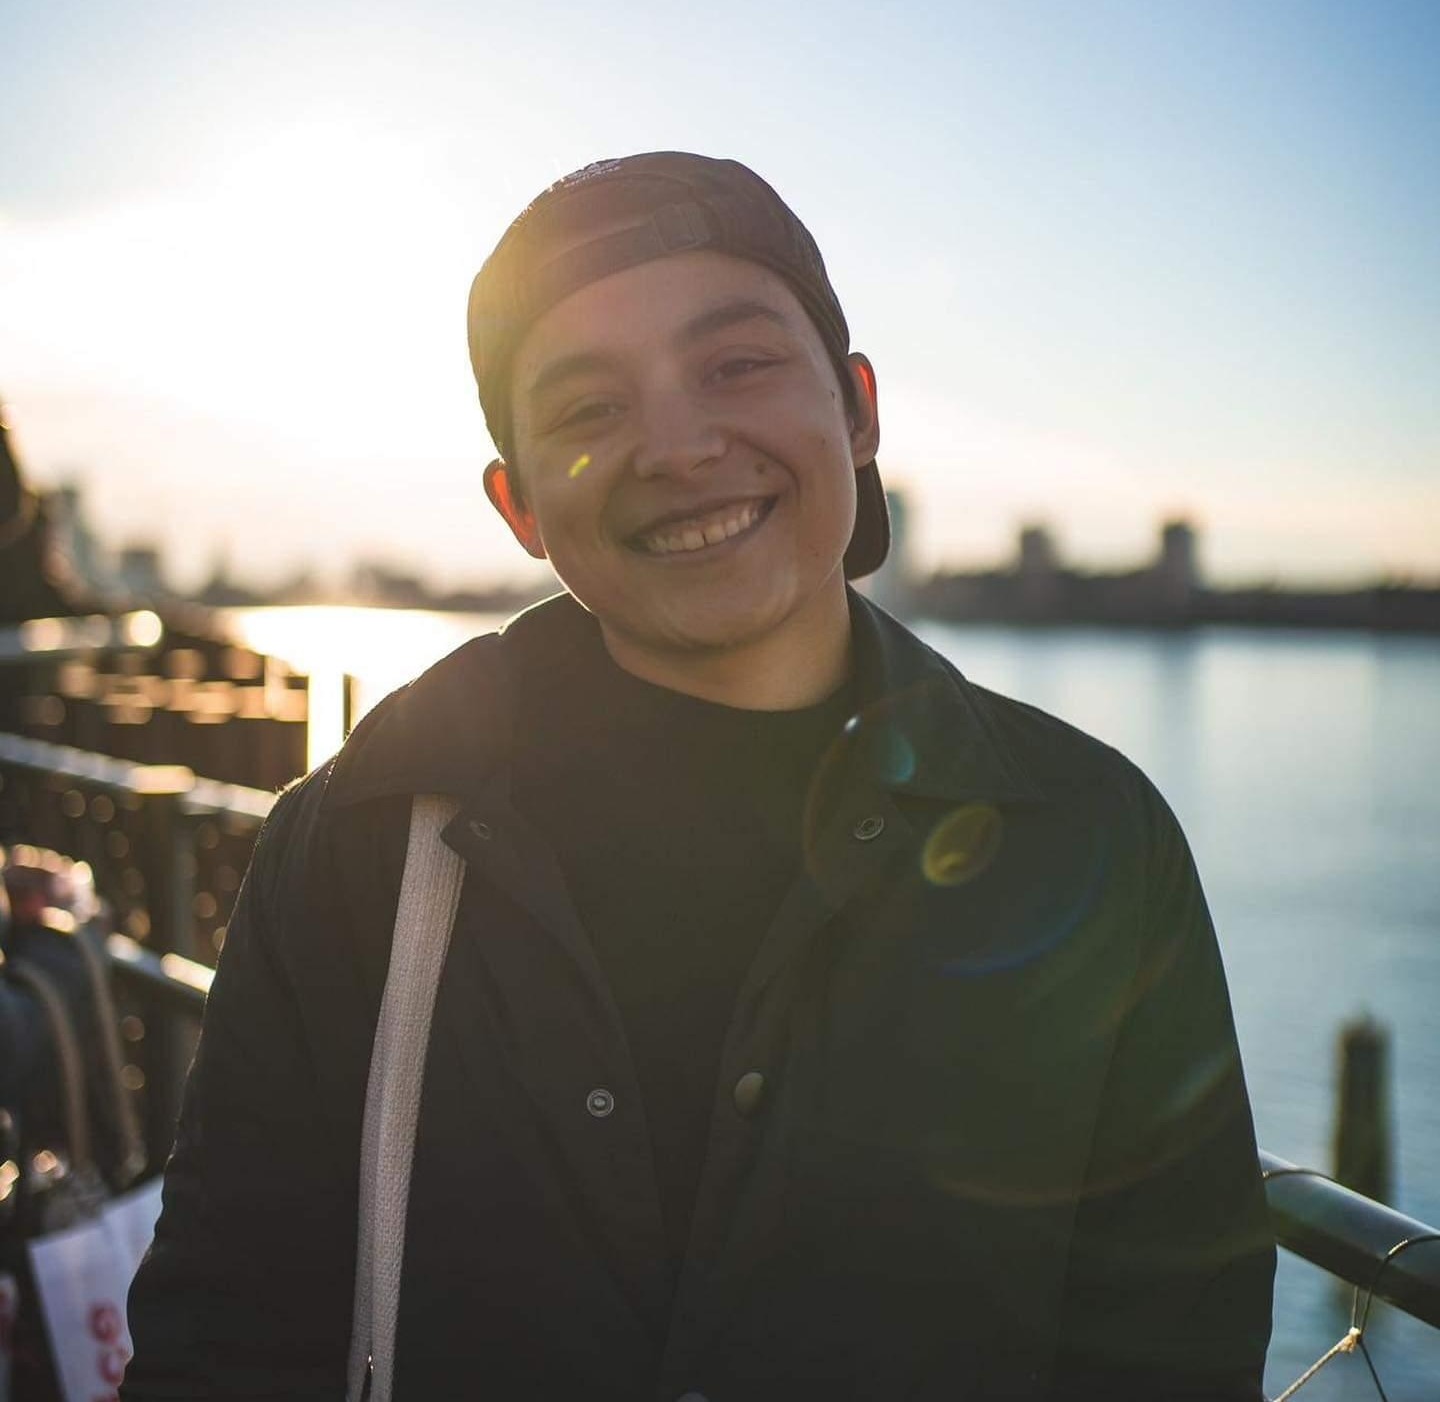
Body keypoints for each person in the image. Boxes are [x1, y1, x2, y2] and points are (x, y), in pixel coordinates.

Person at [122, 153, 1274, 1400]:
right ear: (520, 508)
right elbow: (222, 1338)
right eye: (586, 411)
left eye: (736, 365)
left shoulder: (1087, 840)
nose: (676, 445)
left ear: (859, 409)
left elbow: (1168, 1348)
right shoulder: (359, 842)